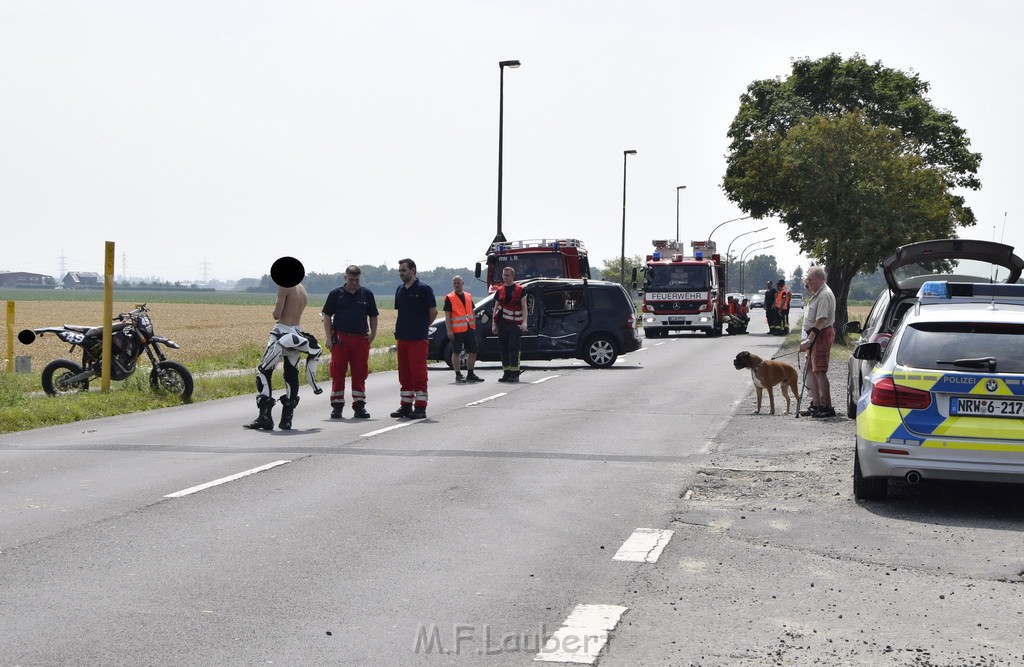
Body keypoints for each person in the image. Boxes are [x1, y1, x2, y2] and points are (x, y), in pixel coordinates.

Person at [244, 281, 323, 431]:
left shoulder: (284, 286)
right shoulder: (302, 289)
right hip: (296, 334)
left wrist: (276, 303)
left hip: (280, 333)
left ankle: (264, 418)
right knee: (291, 373)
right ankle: (287, 419)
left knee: (264, 371)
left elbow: (276, 315)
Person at [321, 265, 379, 419]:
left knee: (360, 373)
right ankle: (337, 406)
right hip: (341, 339)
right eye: (351, 279)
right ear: (345, 278)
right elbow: (326, 316)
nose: (354, 282)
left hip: (361, 339)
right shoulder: (335, 294)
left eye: (357, 280)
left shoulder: (366, 294)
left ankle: (359, 405)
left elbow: (373, 316)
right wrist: (328, 338)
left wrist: (373, 334)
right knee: (338, 372)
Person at [391, 258, 437, 419]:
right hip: (402, 338)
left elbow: (433, 312)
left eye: (404, 270)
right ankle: (405, 405)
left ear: (413, 270)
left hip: (418, 339)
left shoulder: (424, 289)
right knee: (404, 374)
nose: (401, 273)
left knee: (418, 374)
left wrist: (423, 327)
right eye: (400, 271)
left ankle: (420, 407)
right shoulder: (400, 289)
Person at [799, 265, 837, 418]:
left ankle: (827, 407)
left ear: (821, 279)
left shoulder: (824, 295)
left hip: (820, 335)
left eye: (811, 279)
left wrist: (809, 341)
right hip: (815, 335)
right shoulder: (818, 293)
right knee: (810, 369)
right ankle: (816, 404)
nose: (808, 282)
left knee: (820, 370)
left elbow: (821, 321)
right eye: (807, 279)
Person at [443, 275, 484, 383]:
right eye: (455, 283)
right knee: (456, 352)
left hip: (469, 328)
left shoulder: (468, 296)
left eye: (458, 283)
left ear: (462, 283)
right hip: (457, 330)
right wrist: (449, 330)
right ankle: (458, 374)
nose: (456, 285)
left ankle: (470, 373)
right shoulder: (450, 297)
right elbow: (447, 316)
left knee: (473, 351)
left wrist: (473, 324)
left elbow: (472, 311)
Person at [491, 266, 529, 382]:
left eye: (507, 275)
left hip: (515, 323)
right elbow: (495, 308)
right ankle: (506, 373)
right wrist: (494, 324)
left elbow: (524, 307)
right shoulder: (499, 291)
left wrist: (525, 322)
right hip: (502, 323)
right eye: (503, 275)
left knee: (514, 348)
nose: (505, 277)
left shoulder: (520, 290)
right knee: (503, 348)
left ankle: (515, 373)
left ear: (513, 276)